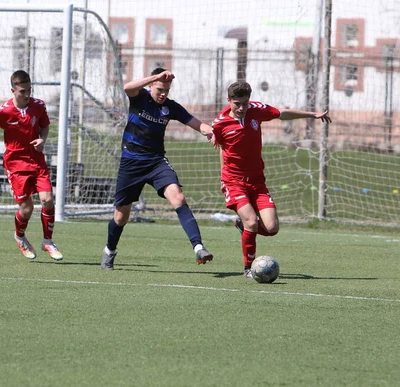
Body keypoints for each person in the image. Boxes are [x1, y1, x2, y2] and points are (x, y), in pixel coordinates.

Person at [212, 81, 331, 278]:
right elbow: (222, 150)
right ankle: (248, 268)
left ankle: (242, 226)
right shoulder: (220, 124)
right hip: (233, 181)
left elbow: (282, 114)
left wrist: (311, 115)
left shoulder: (256, 109)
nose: (241, 108)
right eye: (237, 104)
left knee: (272, 228)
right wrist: (223, 178)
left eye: (244, 103)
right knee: (251, 221)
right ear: (229, 101)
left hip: (257, 181)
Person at [101, 68, 215, 270]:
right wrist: (155, 77)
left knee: (178, 197)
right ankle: (110, 250)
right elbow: (127, 87)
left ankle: (198, 247)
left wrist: (210, 131)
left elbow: (196, 123)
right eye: (160, 89)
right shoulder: (140, 98)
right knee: (121, 216)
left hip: (156, 162)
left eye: (167, 90)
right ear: (151, 85)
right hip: (131, 163)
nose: (163, 94)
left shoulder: (170, 107)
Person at [0, 70, 63, 261]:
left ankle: (48, 240)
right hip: (16, 165)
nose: (27, 94)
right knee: (27, 209)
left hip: (37, 160)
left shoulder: (38, 106)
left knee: (47, 199)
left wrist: (42, 139)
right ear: (13, 90)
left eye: (29, 90)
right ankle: (20, 236)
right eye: (23, 91)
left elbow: (45, 125)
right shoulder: (3, 111)